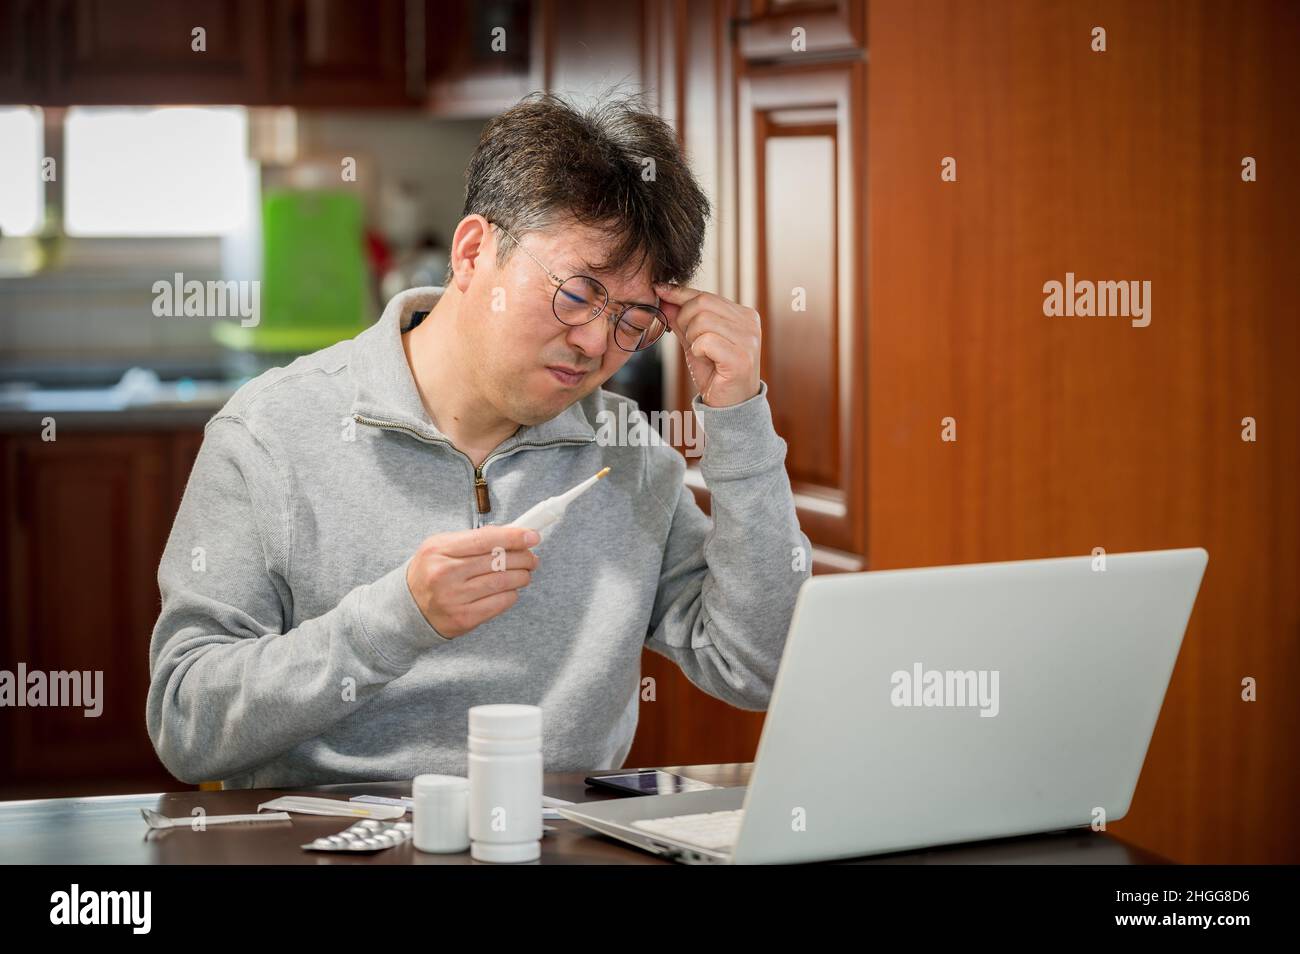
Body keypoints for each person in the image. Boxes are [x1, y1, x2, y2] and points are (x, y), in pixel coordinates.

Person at [146, 92, 811, 788]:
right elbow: (186, 723)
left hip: (561, 846)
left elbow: (759, 665)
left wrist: (738, 420)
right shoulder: (271, 435)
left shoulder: (628, 453)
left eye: (633, 318)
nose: (594, 343)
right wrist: (391, 621)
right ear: (471, 253)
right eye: (579, 293)